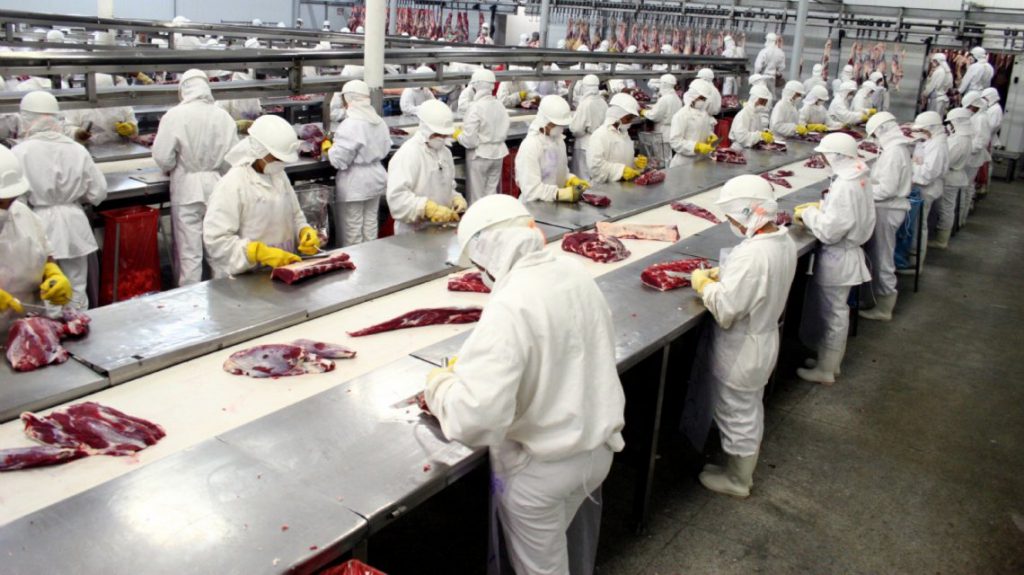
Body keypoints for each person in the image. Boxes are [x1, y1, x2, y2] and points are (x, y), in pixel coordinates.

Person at [424, 194, 625, 575]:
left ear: (488, 253)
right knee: (556, 550)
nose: (482, 275)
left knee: (542, 569)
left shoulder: (510, 303)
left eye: (479, 265)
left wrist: (440, 388)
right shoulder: (574, 273)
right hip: (597, 453)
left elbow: (475, 419)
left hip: (542, 471)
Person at [690, 174, 797, 497]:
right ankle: (738, 470)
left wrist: (705, 286)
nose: (731, 223)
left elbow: (727, 309)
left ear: (748, 214)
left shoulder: (754, 254)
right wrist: (726, 275)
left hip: (741, 349)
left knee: (737, 414)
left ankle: (738, 480)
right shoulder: (781, 241)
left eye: (733, 217)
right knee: (749, 408)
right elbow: (755, 285)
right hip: (762, 339)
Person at [13, 91, 106, 310]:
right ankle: (80, 326)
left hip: (38, 224)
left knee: (47, 290)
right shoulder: (77, 149)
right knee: (77, 288)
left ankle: (52, 330)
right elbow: (98, 193)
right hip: (74, 222)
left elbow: (16, 203)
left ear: (25, 118)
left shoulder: (19, 152)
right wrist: (73, 196)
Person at [794, 134, 874, 384]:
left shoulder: (846, 185)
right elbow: (844, 215)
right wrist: (823, 209)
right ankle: (829, 361)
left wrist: (809, 215)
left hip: (838, 257)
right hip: (846, 252)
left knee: (832, 314)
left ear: (836, 156)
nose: (822, 159)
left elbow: (830, 231)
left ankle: (826, 370)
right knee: (834, 312)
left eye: (825, 155)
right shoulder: (857, 176)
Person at [152, 69, 238, 286]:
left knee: (189, 254)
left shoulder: (174, 116)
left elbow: (163, 158)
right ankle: (226, 298)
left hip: (186, 189)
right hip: (217, 188)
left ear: (183, 89)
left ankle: (190, 301)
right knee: (218, 249)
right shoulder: (223, 117)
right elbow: (232, 160)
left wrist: (176, 165)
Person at [204, 115, 319, 277]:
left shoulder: (279, 175)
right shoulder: (233, 184)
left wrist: (303, 231)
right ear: (259, 150)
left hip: (285, 272)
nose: (280, 162)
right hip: (247, 278)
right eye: (276, 157)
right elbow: (216, 241)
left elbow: (295, 215)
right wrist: (256, 252)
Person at [0, 145, 74, 333]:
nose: (6, 209)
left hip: (29, 331)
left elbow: (44, 254)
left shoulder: (23, 214)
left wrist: (52, 273)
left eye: (11, 200)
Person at [859, 112, 913, 321]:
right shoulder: (895, 149)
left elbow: (887, 190)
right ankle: (878, 298)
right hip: (888, 208)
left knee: (882, 258)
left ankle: (884, 306)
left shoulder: (894, 153)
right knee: (879, 255)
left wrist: (861, 190)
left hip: (888, 209)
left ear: (882, 131)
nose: (874, 140)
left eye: (874, 135)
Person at [324, 81, 392, 247]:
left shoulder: (350, 124)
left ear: (348, 99)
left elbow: (339, 160)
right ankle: (370, 261)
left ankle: (354, 262)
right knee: (370, 225)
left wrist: (329, 150)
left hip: (355, 182)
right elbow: (386, 147)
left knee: (352, 230)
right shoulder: (379, 121)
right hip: (376, 177)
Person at [386, 100, 466, 232]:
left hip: (441, 227)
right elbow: (397, 199)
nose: (441, 138)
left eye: (444, 135)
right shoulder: (408, 154)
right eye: (437, 134)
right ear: (425, 129)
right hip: (413, 232)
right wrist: (426, 208)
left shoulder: (445, 153)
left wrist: (455, 198)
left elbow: (446, 186)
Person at [899, 111, 948, 273]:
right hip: (922, 187)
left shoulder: (938, 145)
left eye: (923, 130)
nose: (921, 133)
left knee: (919, 226)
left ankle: (915, 262)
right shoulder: (932, 140)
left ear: (932, 128)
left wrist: (909, 165)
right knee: (916, 225)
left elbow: (928, 174)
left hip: (926, 189)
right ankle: (911, 257)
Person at [516, 95, 588, 203]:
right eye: (556, 124)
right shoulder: (530, 146)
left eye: (562, 125)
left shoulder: (559, 141)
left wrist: (570, 178)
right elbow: (531, 190)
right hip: (534, 207)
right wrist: (559, 194)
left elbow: (559, 172)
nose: (560, 128)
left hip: (553, 206)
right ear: (544, 121)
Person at [454, 69, 510, 204]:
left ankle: (478, 218)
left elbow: (470, 141)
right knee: (491, 195)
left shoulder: (475, 108)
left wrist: (457, 134)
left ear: (476, 85)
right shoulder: (500, 105)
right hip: (498, 155)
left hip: (480, 156)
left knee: (477, 198)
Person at [930, 108, 972, 249]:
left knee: (945, 209)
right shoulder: (965, 137)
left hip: (951, 177)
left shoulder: (959, 141)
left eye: (951, 123)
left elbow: (946, 161)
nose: (950, 125)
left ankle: (941, 240)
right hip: (956, 175)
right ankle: (942, 236)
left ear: (957, 122)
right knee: (947, 208)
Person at [587, 93, 647, 183]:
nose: (630, 122)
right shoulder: (600, 135)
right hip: (604, 187)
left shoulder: (623, 133)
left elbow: (620, 159)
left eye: (631, 119)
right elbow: (595, 167)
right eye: (628, 119)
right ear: (617, 116)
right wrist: (621, 170)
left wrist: (634, 162)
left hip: (622, 185)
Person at [63, 73, 138, 145]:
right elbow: (67, 128)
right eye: (98, 95)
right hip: (89, 148)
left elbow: (133, 123)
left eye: (106, 95)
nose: (102, 99)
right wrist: (76, 133)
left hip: (120, 147)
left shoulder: (120, 103)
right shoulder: (79, 105)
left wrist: (130, 129)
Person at [669, 81, 716, 167]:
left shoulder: (704, 114)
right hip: (685, 163)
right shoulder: (681, 115)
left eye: (704, 99)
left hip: (702, 160)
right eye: (701, 98)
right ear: (692, 97)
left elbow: (703, 130)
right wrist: (695, 146)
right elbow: (675, 141)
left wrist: (710, 136)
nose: (703, 101)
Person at [568, 75, 606, 180]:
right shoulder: (603, 102)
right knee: (594, 176)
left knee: (582, 177)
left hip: (584, 144)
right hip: (600, 143)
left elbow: (576, 129)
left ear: (584, 87)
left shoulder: (585, 104)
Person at [642, 73, 682, 162]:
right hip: (672, 130)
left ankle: (665, 170)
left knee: (662, 159)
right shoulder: (676, 98)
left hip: (663, 132)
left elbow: (655, 116)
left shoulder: (664, 99)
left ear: (664, 84)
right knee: (668, 157)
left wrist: (644, 112)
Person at [962, 91, 991, 210]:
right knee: (966, 185)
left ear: (975, 105)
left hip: (973, 157)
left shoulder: (981, 119)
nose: (968, 109)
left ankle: (964, 210)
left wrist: (967, 149)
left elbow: (981, 141)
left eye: (969, 107)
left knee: (967, 185)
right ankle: (964, 209)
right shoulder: (976, 116)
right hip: (970, 156)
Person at [729, 84, 774, 150]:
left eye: (765, 102)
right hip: (739, 150)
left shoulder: (757, 114)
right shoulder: (743, 114)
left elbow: (757, 131)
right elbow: (741, 138)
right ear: (754, 99)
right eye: (762, 101)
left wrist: (766, 132)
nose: (763, 104)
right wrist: (761, 135)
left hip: (750, 149)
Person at [753, 33, 785, 97]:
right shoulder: (781, 53)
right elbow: (782, 67)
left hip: (762, 77)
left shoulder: (763, 51)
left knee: (760, 96)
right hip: (772, 78)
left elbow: (758, 66)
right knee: (771, 96)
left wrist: (755, 75)